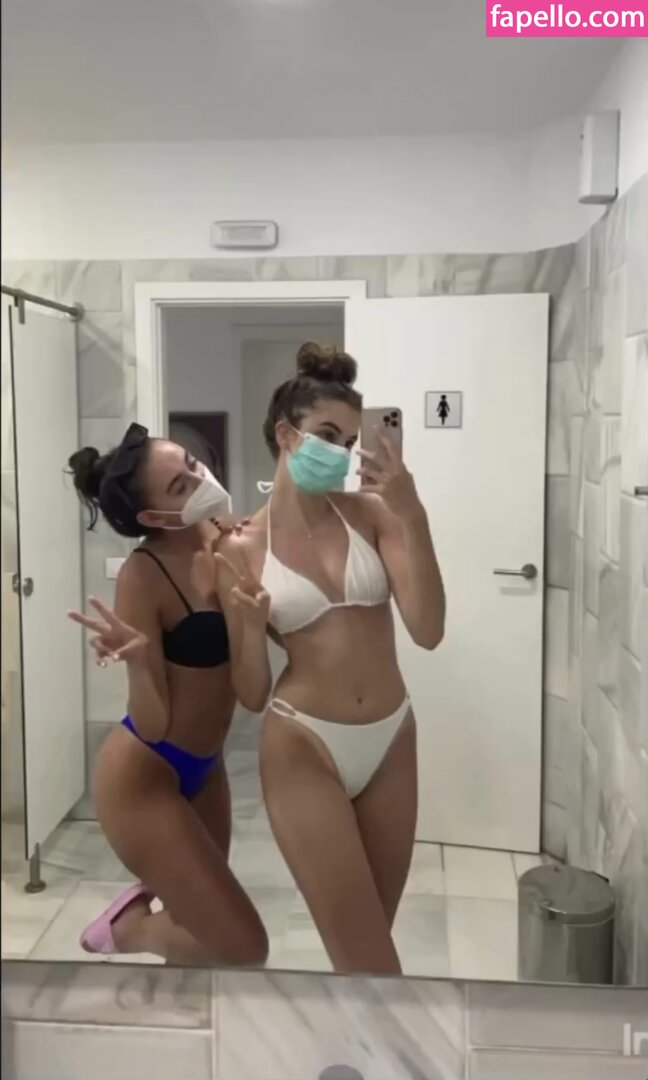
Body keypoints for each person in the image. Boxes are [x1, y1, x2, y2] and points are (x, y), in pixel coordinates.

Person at [215, 343, 445, 974]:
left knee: (367, 954)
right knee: (368, 960)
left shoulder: (373, 515)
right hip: (304, 744)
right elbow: (251, 693)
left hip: (392, 737)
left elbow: (428, 630)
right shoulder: (239, 549)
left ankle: (347, 1035)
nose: (341, 453)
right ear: (286, 435)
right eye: (326, 435)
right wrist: (249, 627)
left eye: (348, 441)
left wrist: (414, 514)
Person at [67, 422, 268, 965]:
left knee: (196, 931)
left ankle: (178, 1010)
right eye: (181, 486)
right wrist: (138, 663)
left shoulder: (227, 536)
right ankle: (130, 929)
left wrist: (253, 624)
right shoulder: (144, 574)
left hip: (207, 768)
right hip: (142, 777)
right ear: (154, 517)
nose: (201, 480)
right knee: (243, 948)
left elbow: (251, 692)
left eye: (192, 465)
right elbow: (152, 723)